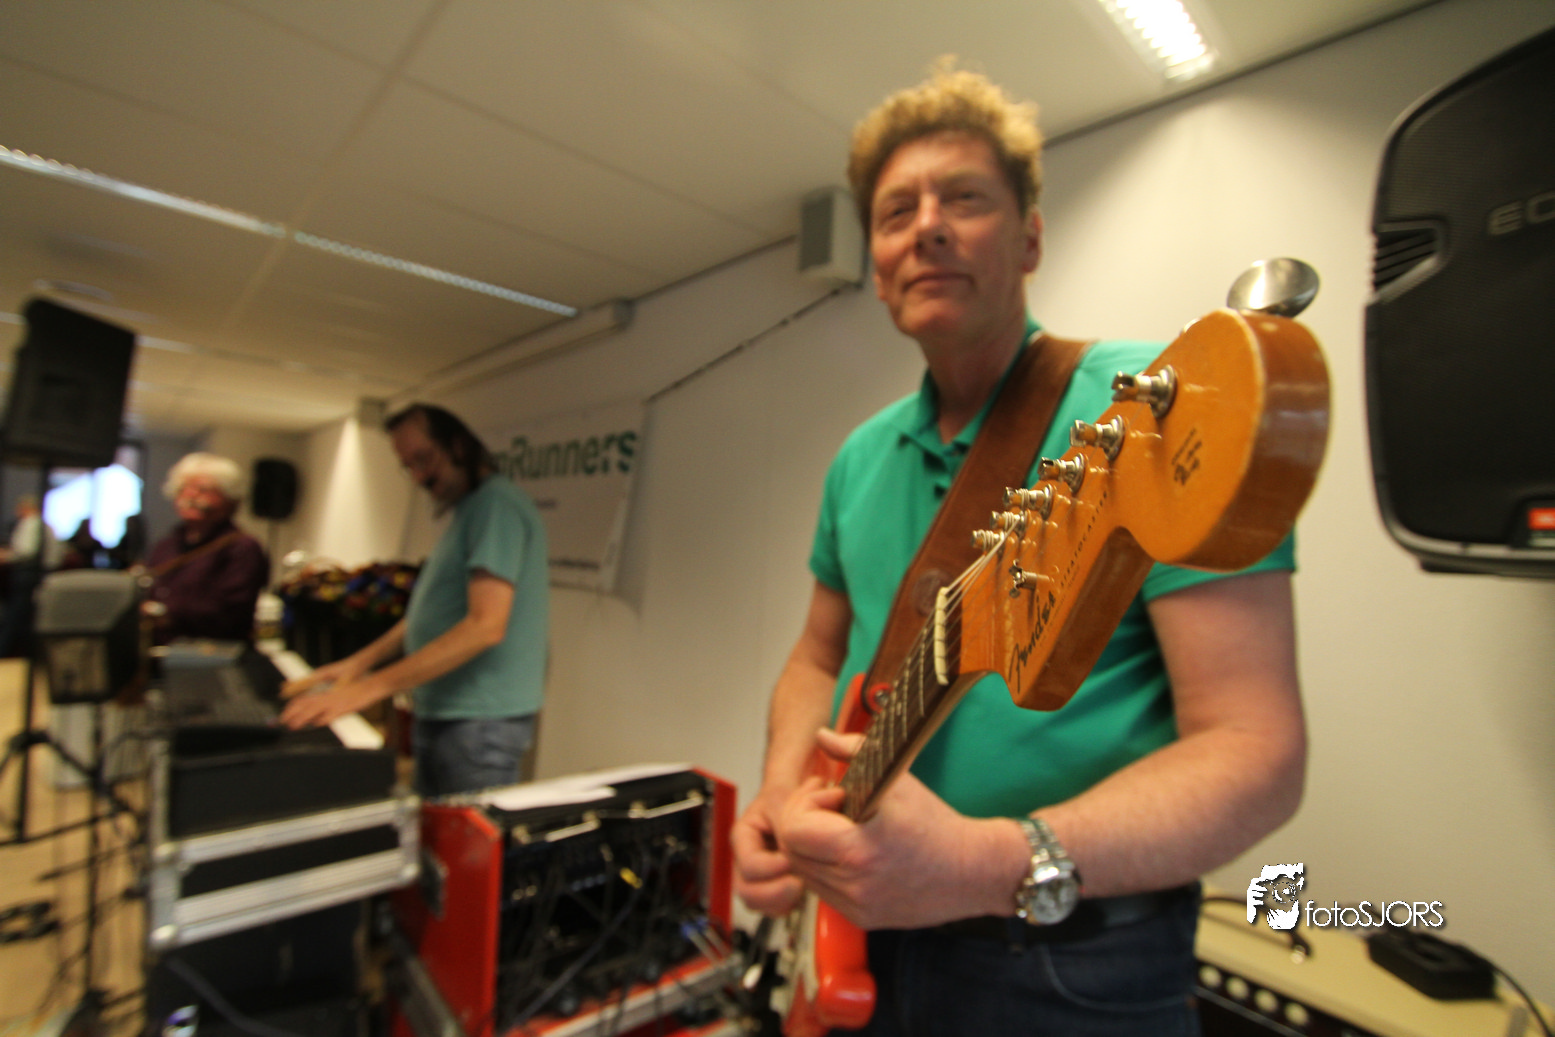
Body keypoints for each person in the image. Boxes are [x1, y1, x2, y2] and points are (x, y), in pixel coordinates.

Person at [731, 65, 1306, 1034]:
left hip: (1068, 960)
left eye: (964, 198)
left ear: (1030, 237)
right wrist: (783, 791)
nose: (927, 226)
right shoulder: (857, 457)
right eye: (896, 211)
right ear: (877, 263)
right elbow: (817, 656)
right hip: (863, 934)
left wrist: (988, 861)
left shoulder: (1155, 409)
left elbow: (1256, 748)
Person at [279, 404, 550, 797]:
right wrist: (358, 664)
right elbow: (429, 614)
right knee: (429, 829)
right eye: (409, 466)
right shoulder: (471, 509)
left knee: (461, 836)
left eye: (425, 459)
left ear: (458, 445)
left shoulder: (496, 505)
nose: (420, 476)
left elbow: (485, 626)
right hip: (448, 712)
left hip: (477, 722)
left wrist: (370, 689)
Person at [145, 453, 270, 643]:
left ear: (230, 497)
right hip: (160, 651)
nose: (190, 495)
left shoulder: (243, 548)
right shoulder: (166, 545)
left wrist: (162, 613)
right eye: (182, 488)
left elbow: (229, 614)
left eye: (202, 489)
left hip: (210, 654)